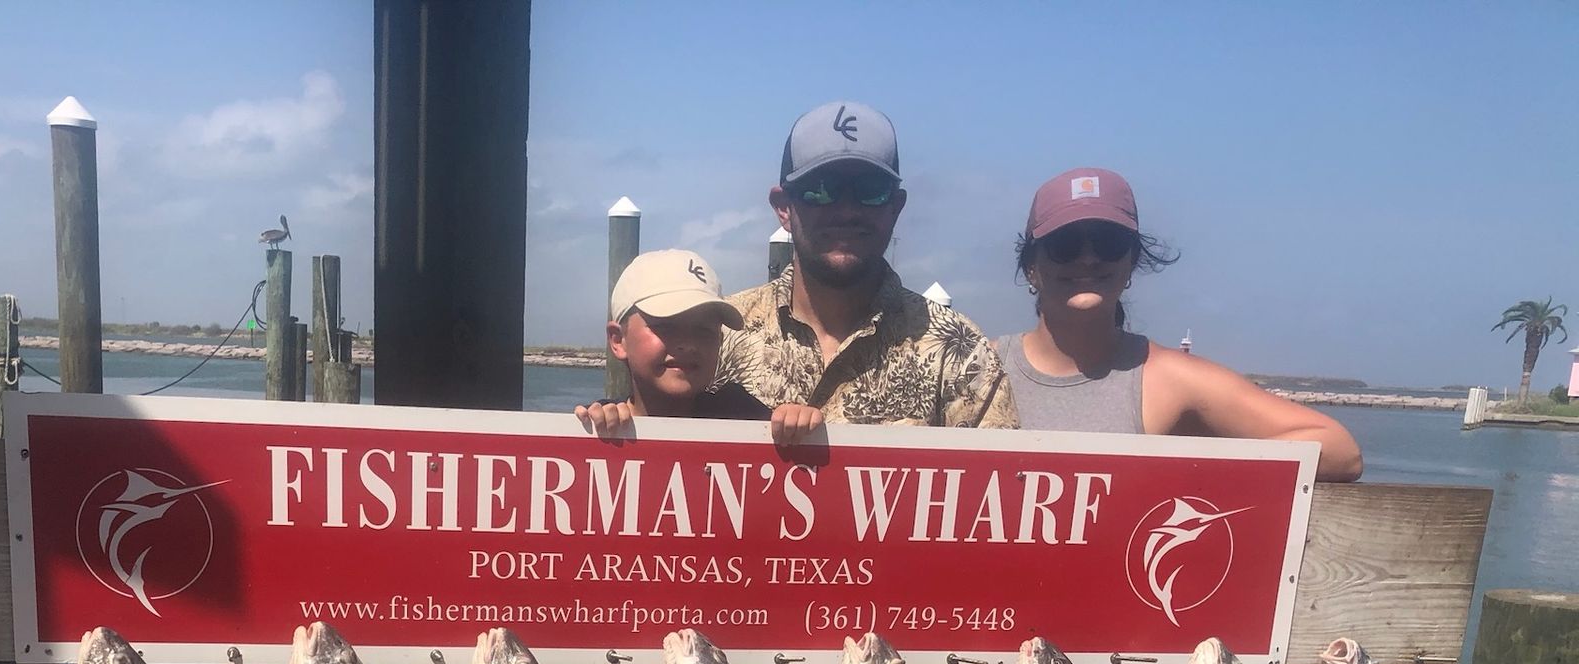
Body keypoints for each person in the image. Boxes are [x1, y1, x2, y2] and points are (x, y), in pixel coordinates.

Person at [998, 167, 1363, 482]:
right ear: (1031, 265)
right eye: (1065, 245)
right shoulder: (974, 369)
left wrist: (1179, 470)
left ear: (1131, 263)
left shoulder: (1170, 378)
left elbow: (1338, 450)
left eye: (1109, 243)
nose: (1089, 258)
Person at [712, 100, 1017, 432]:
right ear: (783, 207)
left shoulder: (959, 352)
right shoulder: (718, 334)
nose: (846, 211)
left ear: (895, 207)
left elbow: (999, 476)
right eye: (820, 190)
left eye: (869, 191)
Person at [575, 248, 825, 440]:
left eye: (704, 330)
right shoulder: (600, 425)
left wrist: (795, 423)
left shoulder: (742, 414)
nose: (688, 343)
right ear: (618, 340)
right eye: (666, 325)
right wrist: (595, 425)